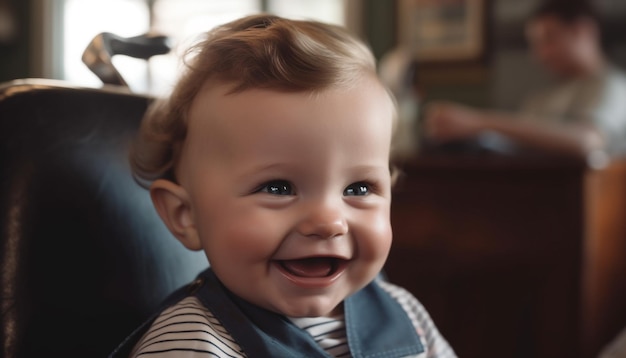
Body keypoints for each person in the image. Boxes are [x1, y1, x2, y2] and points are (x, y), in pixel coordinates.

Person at [110, 14, 456, 358]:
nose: (328, 222)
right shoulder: (191, 345)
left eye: (358, 189)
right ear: (186, 215)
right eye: (278, 188)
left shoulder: (405, 314)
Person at [424, 0, 626, 165]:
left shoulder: (614, 87)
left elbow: (587, 142)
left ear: (583, 31)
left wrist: (478, 122)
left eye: (549, 39)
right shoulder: (543, 97)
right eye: (536, 44)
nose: (540, 55)